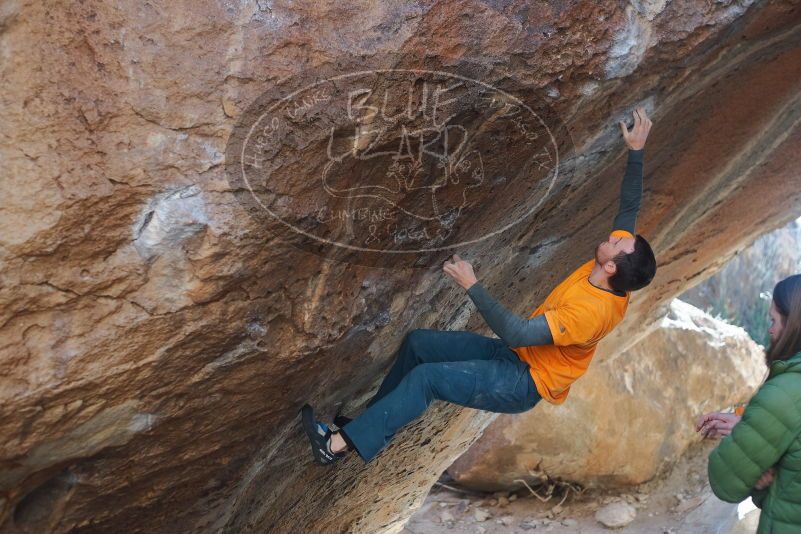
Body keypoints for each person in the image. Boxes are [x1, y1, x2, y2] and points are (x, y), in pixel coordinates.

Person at [301, 107, 657, 465]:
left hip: (523, 381)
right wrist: (636, 151)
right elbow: (628, 209)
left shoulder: (590, 313)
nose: (613, 236)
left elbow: (517, 333)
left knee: (427, 379)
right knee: (419, 345)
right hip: (515, 357)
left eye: (617, 243)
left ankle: (334, 447)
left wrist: (472, 284)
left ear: (610, 266)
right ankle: (365, 428)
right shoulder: (614, 273)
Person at [706, 274, 801, 533]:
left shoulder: (785, 391)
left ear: (794, 324)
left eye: (774, 320)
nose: (770, 329)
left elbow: (725, 480)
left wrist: (764, 479)